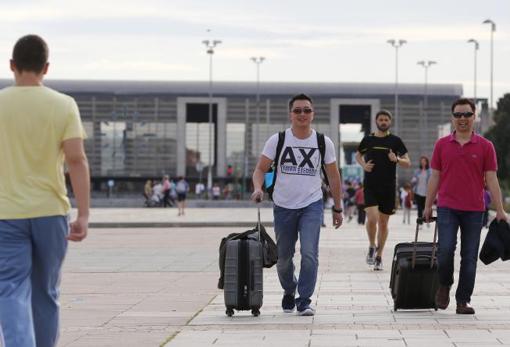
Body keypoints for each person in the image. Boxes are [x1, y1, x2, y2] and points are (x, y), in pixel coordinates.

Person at [0, 35, 90, 347]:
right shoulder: (64, 105)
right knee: (46, 292)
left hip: (6, 214)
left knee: (9, 287)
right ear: (46, 68)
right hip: (50, 213)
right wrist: (83, 215)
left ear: (12, 66)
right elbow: (76, 161)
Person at [251, 93, 343, 316]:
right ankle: (289, 290)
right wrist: (257, 188)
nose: (302, 114)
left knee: (310, 253)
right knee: (284, 258)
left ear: (313, 114)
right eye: (298, 110)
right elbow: (260, 169)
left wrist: (338, 207)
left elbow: (333, 176)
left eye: (307, 110)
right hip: (283, 206)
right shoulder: (278, 140)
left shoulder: (323, 142)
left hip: (312, 204)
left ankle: (304, 300)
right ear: (290, 114)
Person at [424, 98, 507, 314]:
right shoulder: (441, 145)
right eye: (458, 115)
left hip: (474, 209)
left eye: (467, 115)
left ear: (474, 117)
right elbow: (435, 177)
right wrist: (427, 206)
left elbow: (492, 180)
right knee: (444, 250)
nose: (463, 119)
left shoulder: (485, 146)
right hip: (447, 207)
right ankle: (444, 285)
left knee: (469, 256)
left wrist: (500, 209)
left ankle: (463, 300)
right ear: (452, 118)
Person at [355, 109, 411, 271]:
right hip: (371, 185)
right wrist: (363, 165)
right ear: (376, 121)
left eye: (386, 119)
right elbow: (358, 155)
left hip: (388, 187)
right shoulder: (368, 140)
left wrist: (397, 159)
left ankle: (379, 256)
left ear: (390, 122)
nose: (384, 122)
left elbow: (408, 162)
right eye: (381, 119)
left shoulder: (395, 141)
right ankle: (372, 245)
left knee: (384, 223)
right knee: (372, 218)